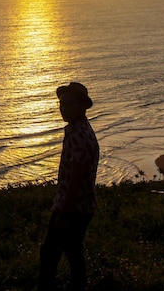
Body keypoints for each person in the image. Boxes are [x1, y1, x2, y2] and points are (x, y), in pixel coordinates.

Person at [38, 82, 100, 291]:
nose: (63, 108)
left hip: (73, 208)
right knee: (73, 253)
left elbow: (75, 178)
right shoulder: (77, 130)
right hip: (80, 205)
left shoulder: (79, 136)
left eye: (69, 103)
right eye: (61, 104)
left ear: (82, 106)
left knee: (50, 254)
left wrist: (63, 212)